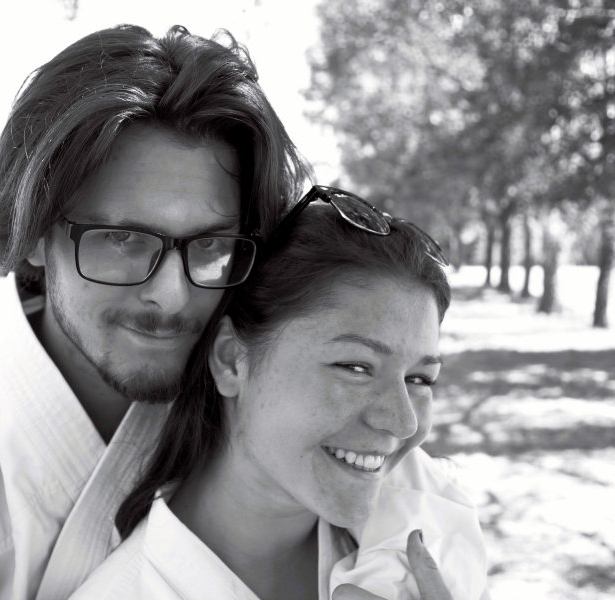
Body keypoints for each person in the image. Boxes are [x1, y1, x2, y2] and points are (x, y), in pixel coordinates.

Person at [0, 25, 309, 600]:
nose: (173, 296)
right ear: (33, 233)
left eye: (210, 244)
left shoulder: (264, 402)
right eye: (123, 239)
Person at [69, 186, 489, 600]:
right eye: (356, 367)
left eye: (420, 379)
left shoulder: (433, 524)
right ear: (232, 359)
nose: (404, 422)